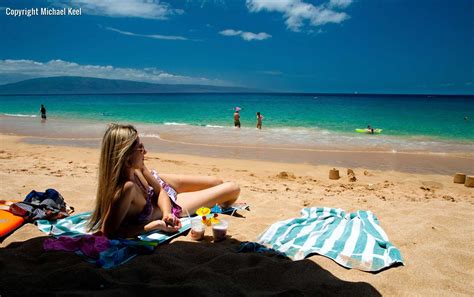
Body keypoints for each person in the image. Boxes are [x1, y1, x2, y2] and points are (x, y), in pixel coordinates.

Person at [87, 123, 240, 238]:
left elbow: (160, 190)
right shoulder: (127, 189)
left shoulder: (137, 167)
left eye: (142, 146)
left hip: (162, 188)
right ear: (126, 159)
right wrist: (154, 225)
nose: (145, 152)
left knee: (217, 181)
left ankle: (218, 201)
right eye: (140, 149)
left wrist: (166, 213)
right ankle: (222, 204)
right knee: (232, 188)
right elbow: (108, 232)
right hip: (175, 203)